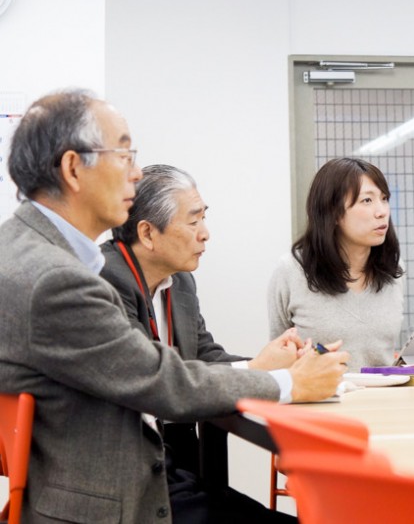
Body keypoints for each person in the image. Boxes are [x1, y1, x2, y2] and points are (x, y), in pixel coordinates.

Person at [0, 90, 347, 523]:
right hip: (110, 503)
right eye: (124, 154)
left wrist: (270, 370)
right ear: (74, 168)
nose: (136, 173)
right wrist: (289, 383)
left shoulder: (24, 249)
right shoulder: (57, 279)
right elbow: (161, 381)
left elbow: (184, 363)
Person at [101, 164, 309, 523]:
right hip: (128, 473)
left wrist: (271, 362)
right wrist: (262, 374)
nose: (206, 234)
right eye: (194, 221)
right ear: (148, 233)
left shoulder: (178, 282)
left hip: (173, 461)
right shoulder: (106, 280)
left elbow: (204, 355)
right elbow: (153, 381)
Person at [269, 157, 405, 372]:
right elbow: (277, 357)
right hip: (317, 399)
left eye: (384, 198)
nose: (382, 211)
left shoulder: (394, 271)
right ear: (332, 213)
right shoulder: (291, 270)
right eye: (367, 201)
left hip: (383, 400)